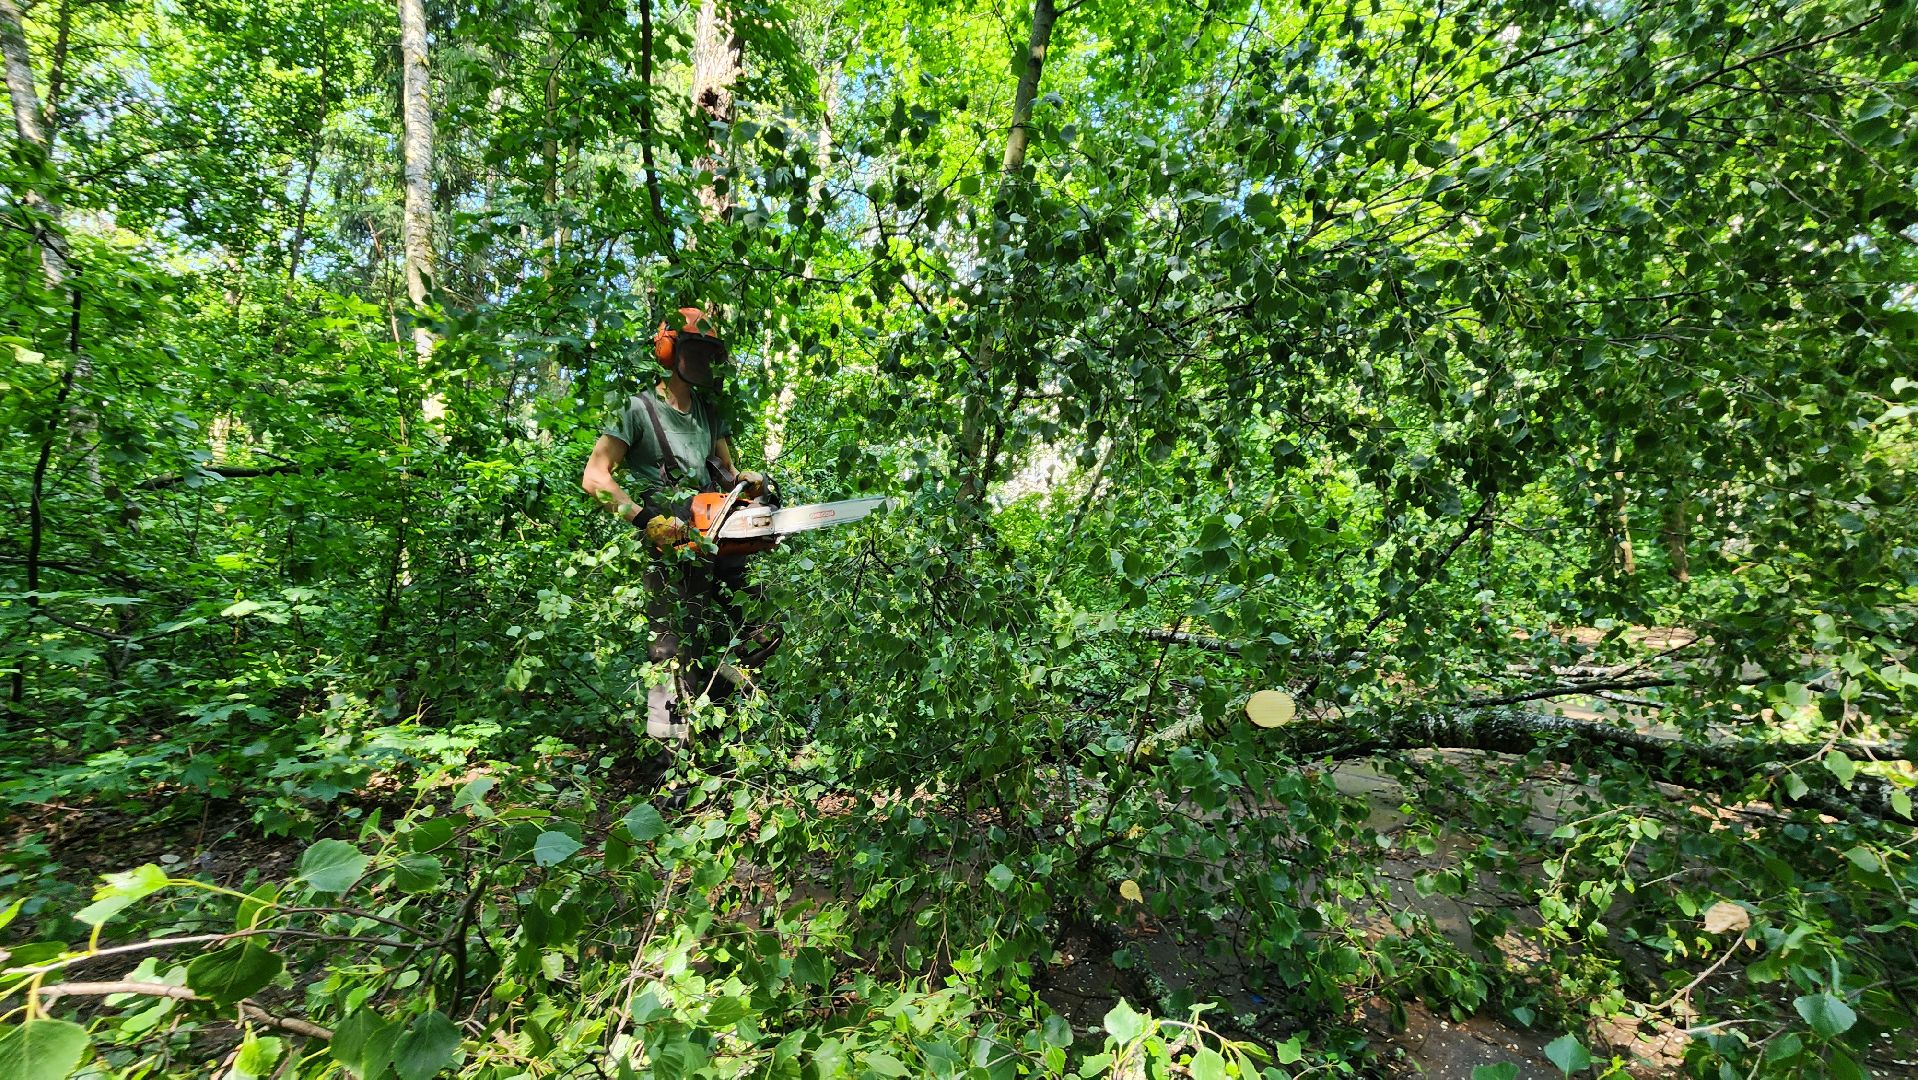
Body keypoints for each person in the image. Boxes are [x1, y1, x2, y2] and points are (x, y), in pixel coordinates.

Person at [580, 307, 773, 740]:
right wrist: (645, 520)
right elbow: (595, 477)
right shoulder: (636, 409)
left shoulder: (709, 411)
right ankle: (671, 754)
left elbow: (726, 471)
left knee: (752, 627)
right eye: (694, 350)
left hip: (716, 535)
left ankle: (719, 732)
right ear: (669, 351)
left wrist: (746, 481)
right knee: (671, 649)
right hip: (670, 538)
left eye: (708, 353)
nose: (702, 361)